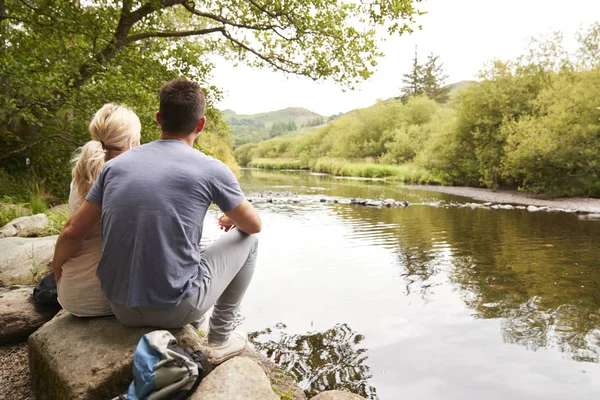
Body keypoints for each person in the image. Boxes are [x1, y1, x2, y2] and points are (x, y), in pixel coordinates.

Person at [51, 78, 261, 363]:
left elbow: (74, 229)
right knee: (250, 242)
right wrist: (228, 215)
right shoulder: (212, 168)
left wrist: (57, 269)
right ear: (200, 125)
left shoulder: (113, 167)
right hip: (176, 309)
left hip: (121, 308)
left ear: (159, 119)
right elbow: (253, 224)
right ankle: (219, 339)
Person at [56, 104, 141, 317]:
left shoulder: (81, 175)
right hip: (112, 298)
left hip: (72, 296)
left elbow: (70, 236)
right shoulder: (133, 180)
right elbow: (72, 233)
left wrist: (56, 272)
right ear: (132, 142)